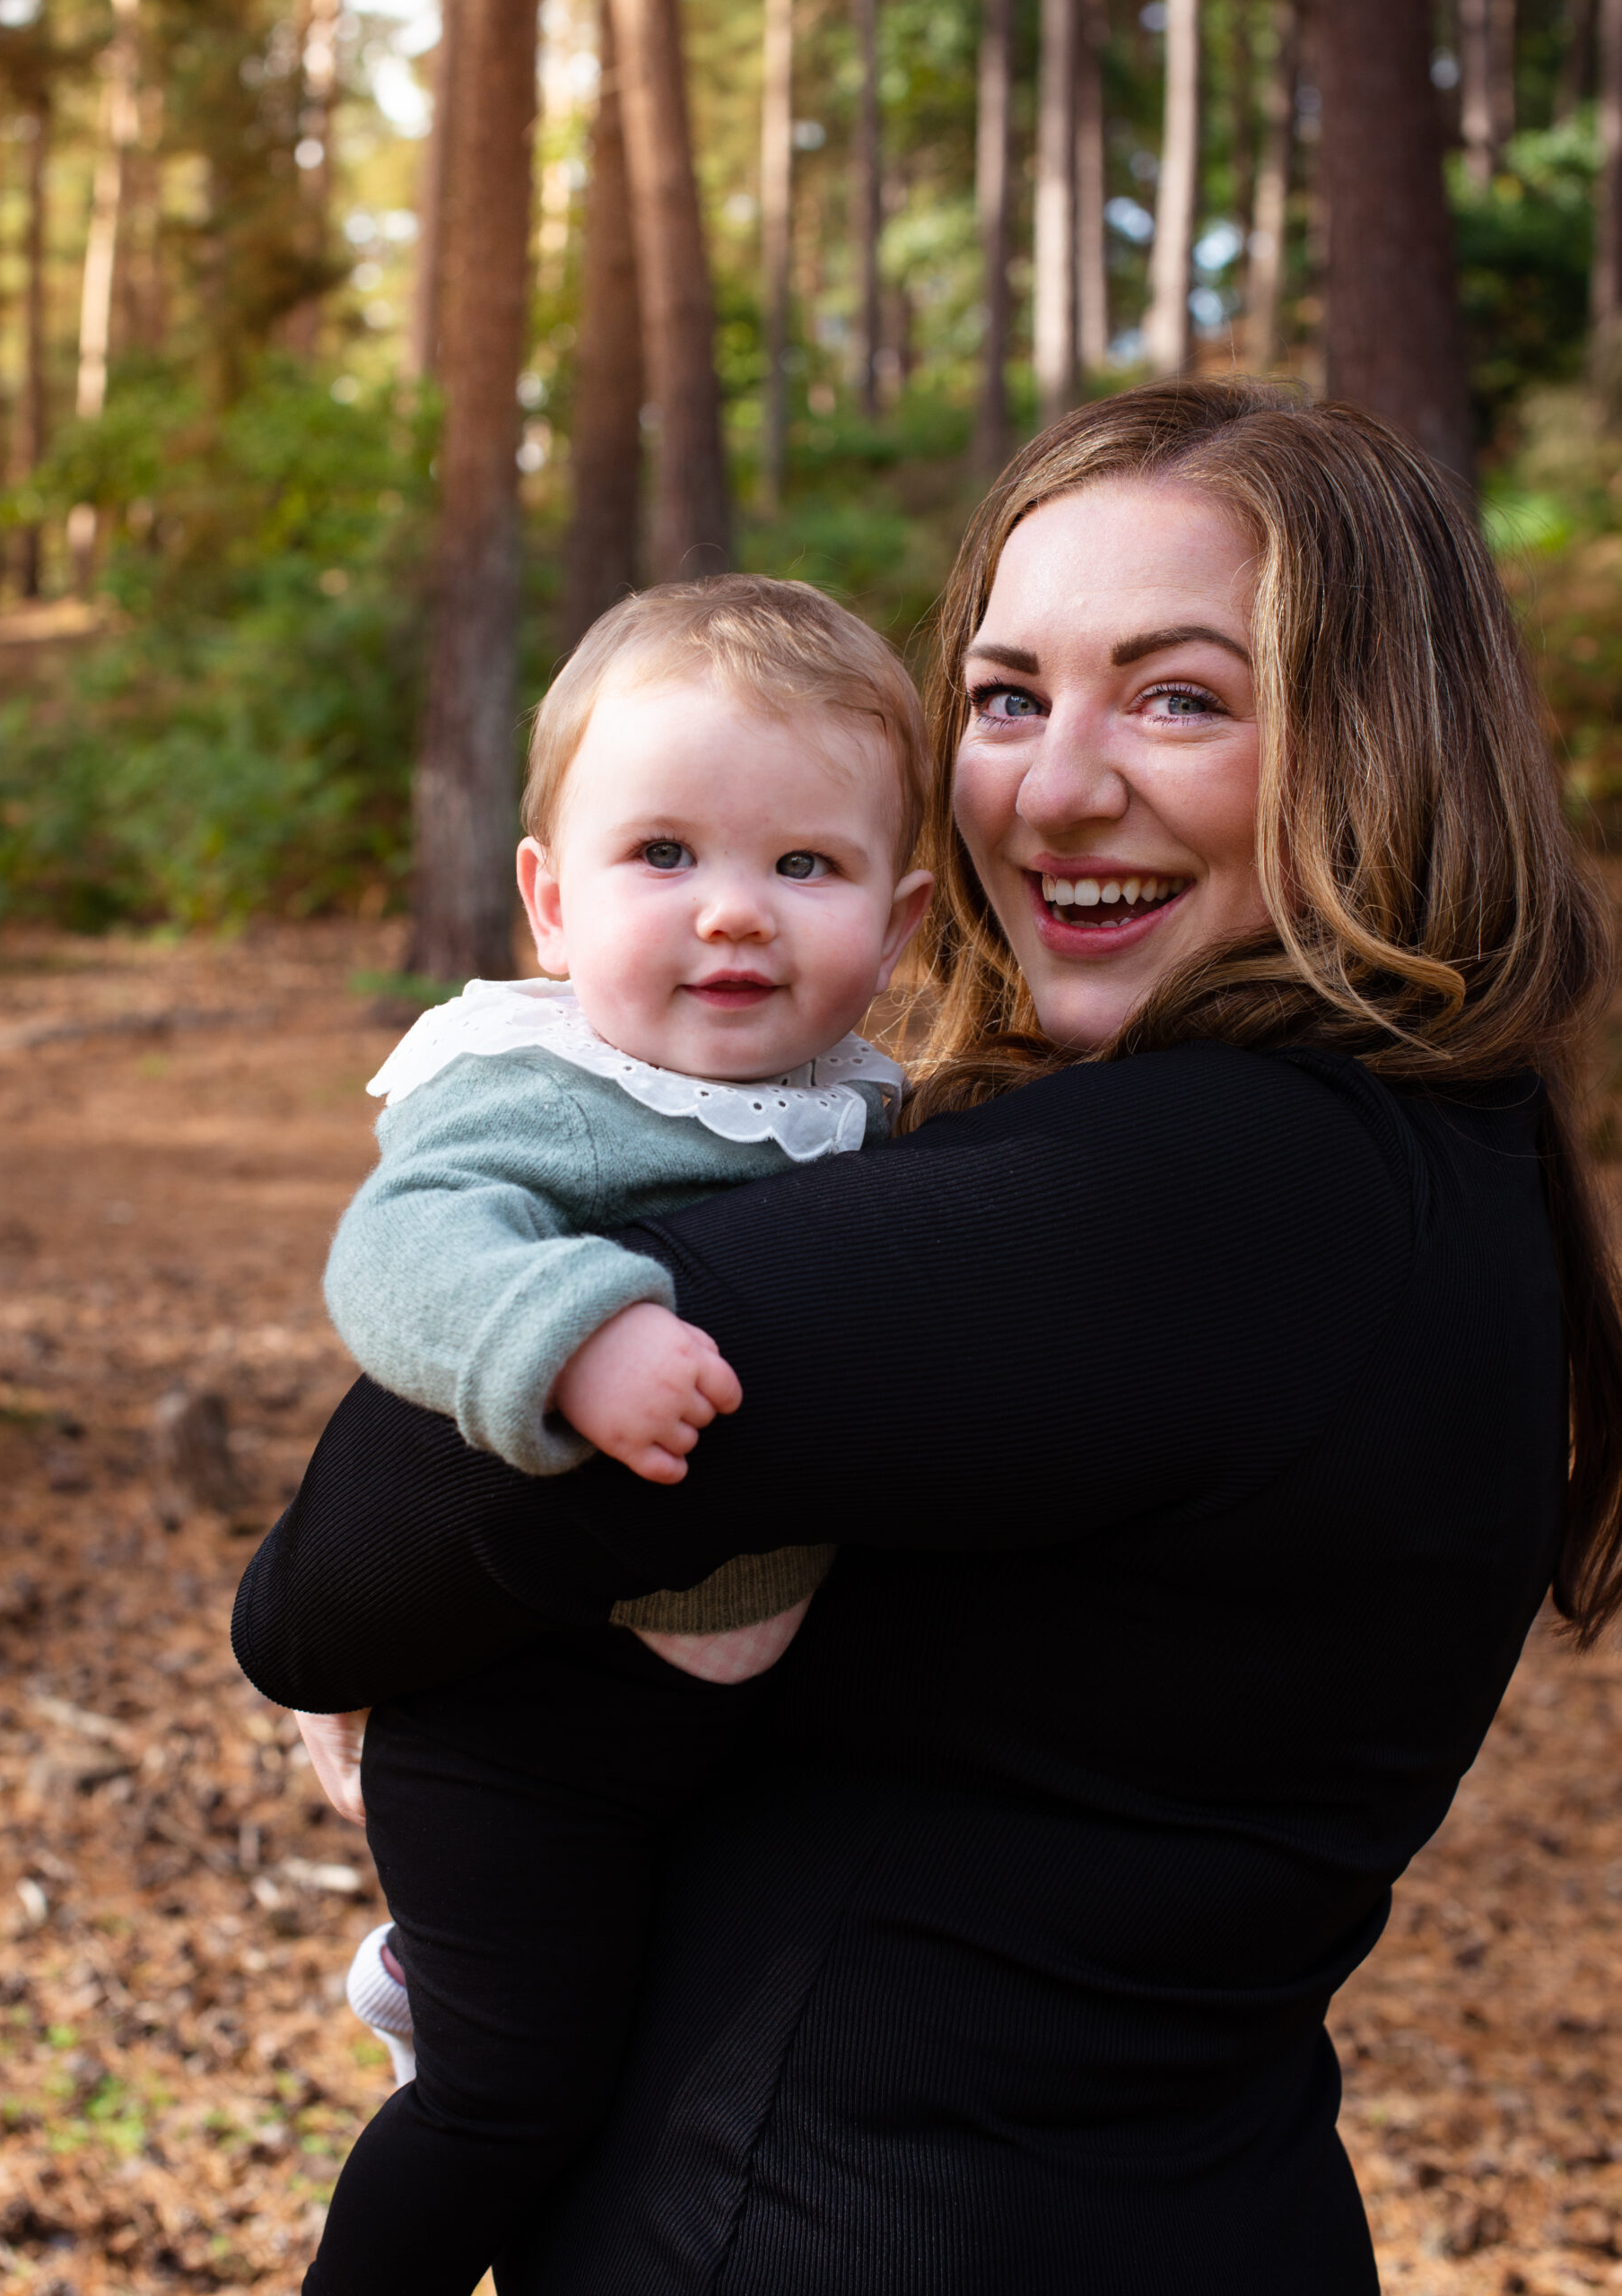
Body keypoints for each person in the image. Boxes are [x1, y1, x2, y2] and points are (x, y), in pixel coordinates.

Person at [234, 377, 1622, 2294]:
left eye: (1179, 698)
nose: (1052, 788)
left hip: (857, 2222)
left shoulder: (1203, 1189)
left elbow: (332, 1577)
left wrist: (397, 1616)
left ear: (1378, 746)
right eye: (1005, 696)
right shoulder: (1454, 1163)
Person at [262, 576, 933, 2296]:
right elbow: (399, 1254)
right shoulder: (544, 1091)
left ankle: (453, 1982)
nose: (735, 911)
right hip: (517, 1731)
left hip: (700, 1736)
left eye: (806, 864)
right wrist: (571, 1335)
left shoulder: (867, 1114)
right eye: (663, 855)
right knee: (509, 2102)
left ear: (899, 920)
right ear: (550, 904)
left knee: (627, 2082)